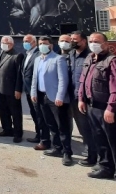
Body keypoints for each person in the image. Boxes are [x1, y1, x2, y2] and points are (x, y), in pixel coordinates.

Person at [78, 32, 116, 194]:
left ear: (106, 44)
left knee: (115, 142)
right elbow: (83, 81)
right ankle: (105, 167)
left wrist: (111, 108)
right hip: (91, 107)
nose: (93, 43)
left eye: (97, 41)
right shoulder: (89, 58)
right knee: (99, 139)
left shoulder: (113, 61)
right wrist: (81, 99)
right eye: (91, 41)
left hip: (106, 109)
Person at [31, 36, 73, 166]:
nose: (42, 45)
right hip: (42, 96)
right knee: (51, 124)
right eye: (40, 43)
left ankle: (67, 153)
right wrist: (33, 92)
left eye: (45, 43)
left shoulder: (58, 59)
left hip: (56, 98)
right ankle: (57, 148)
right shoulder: (38, 59)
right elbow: (35, 78)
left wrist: (60, 96)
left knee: (62, 126)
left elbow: (63, 79)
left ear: (51, 45)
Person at [69, 31, 97, 167]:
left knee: (89, 128)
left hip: (85, 99)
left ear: (84, 41)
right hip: (73, 97)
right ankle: (90, 151)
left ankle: (93, 155)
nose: (72, 42)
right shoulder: (71, 55)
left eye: (75, 39)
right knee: (82, 128)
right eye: (71, 39)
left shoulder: (90, 56)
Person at [0, 36, 24, 143]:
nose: (4, 45)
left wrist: (18, 89)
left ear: (12, 44)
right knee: (3, 111)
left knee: (15, 112)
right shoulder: (0, 53)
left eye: (6, 43)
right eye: (2, 42)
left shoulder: (17, 55)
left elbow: (19, 74)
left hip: (12, 89)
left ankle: (18, 134)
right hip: (0, 87)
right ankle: (7, 129)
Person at [22, 34, 47, 146]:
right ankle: (39, 135)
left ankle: (44, 138)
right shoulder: (27, 54)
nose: (25, 43)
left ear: (34, 42)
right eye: (24, 41)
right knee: (34, 114)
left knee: (40, 116)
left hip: (36, 91)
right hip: (29, 91)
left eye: (27, 41)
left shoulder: (38, 54)